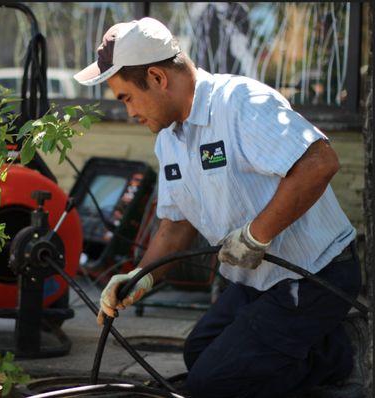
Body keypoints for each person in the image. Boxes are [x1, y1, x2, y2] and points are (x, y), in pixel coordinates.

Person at [74, 17, 363, 398]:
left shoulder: (240, 102)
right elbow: (175, 226)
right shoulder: (169, 140)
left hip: (313, 275)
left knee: (215, 383)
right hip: (255, 281)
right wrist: (140, 276)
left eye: (126, 97)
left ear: (158, 78)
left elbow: (320, 162)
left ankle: (341, 353)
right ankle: (324, 352)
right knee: (199, 354)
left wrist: (256, 235)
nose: (128, 112)